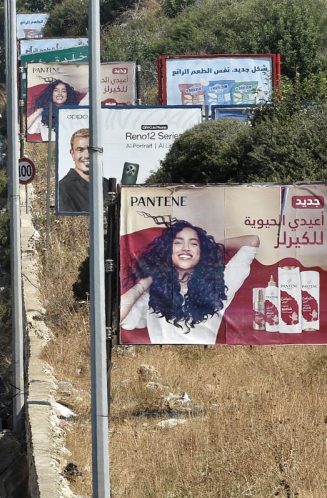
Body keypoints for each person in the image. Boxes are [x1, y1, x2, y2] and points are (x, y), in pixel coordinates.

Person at [120, 221, 260, 344]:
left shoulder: (219, 286)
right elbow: (121, 317)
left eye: (193, 243)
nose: (186, 248)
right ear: (168, 251)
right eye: (178, 243)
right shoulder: (153, 293)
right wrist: (148, 280)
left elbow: (252, 241)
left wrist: (209, 248)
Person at [57, 128, 91, 214]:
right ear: (72, 154)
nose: (86, 155)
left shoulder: (107, 184)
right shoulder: (63, 188)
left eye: (91, 149)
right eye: (80, 150)